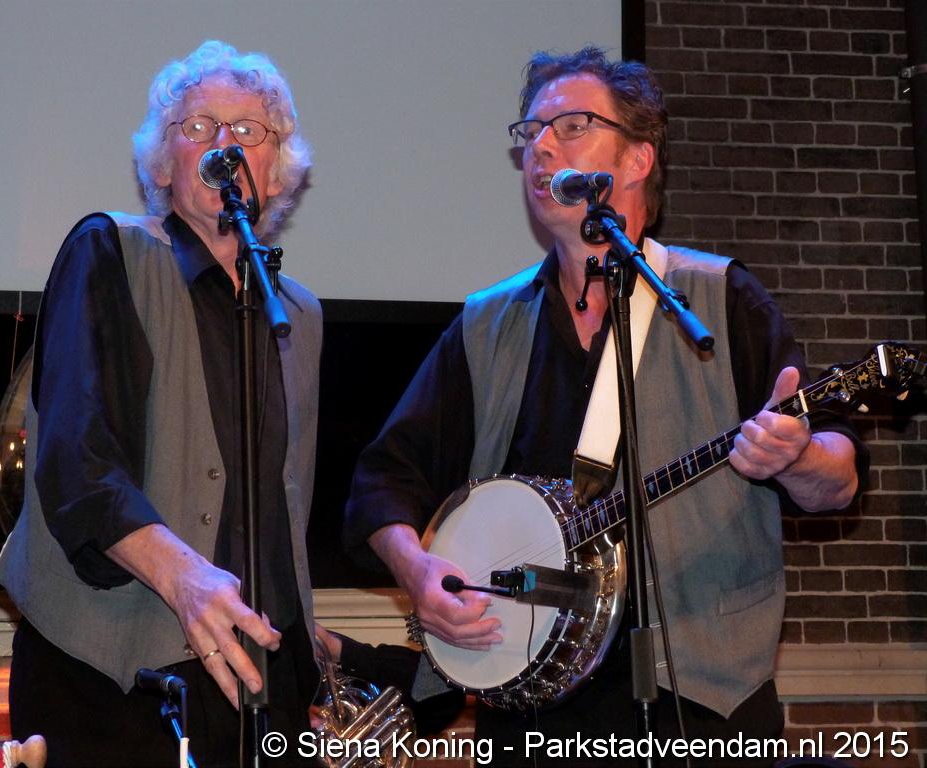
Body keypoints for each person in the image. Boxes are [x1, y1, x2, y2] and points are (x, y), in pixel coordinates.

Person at [344, 46, 866, 767]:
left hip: (701, 706)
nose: (541, 148)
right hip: (531, 714)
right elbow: (383, 481)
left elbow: (839, 477)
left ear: (638, 159)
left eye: (572, 126)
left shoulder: (720, 299)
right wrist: (416, 571)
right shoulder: (489, 323)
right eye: (530, 133)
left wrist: (799, 457)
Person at [0, 41, 321, 768]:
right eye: (198, 127)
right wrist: (186, 577)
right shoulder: (110, 250)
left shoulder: (299, 314)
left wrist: (305, 649)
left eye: (248, 130)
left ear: (278, 169)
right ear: (164, 163)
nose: (224, 143)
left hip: (256, 683)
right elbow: (78, 465)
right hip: (111, 684)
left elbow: (281, 508)